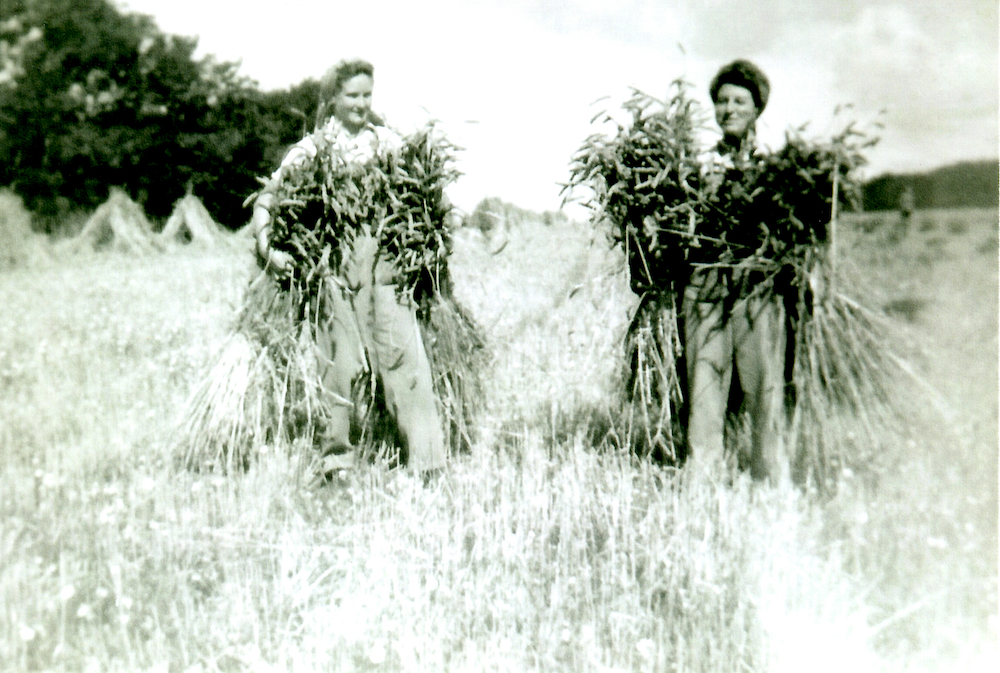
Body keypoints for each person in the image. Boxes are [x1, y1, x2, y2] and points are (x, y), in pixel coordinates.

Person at [250, 59, 447, 478]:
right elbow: (269, 196)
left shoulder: (388, 145)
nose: (360, 104)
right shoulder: (313, 151)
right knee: (339, 362)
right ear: (333, 99)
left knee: (403, 358)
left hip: (386, 268)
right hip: (334, 267)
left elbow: (430, 196)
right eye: (352, 96)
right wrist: (267, 245)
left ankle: (427, 461)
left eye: (366, 95)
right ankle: (336, 459)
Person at [682, 60, 789, 485]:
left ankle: (771, 476)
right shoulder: (697, 163)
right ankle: (702, 476)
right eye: (721, 101)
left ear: (756, 107)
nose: (729, 109)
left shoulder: (776, 164)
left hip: (756, 285)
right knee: (704, 380)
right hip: (705, 284)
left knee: (764, 382)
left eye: (739, 100)